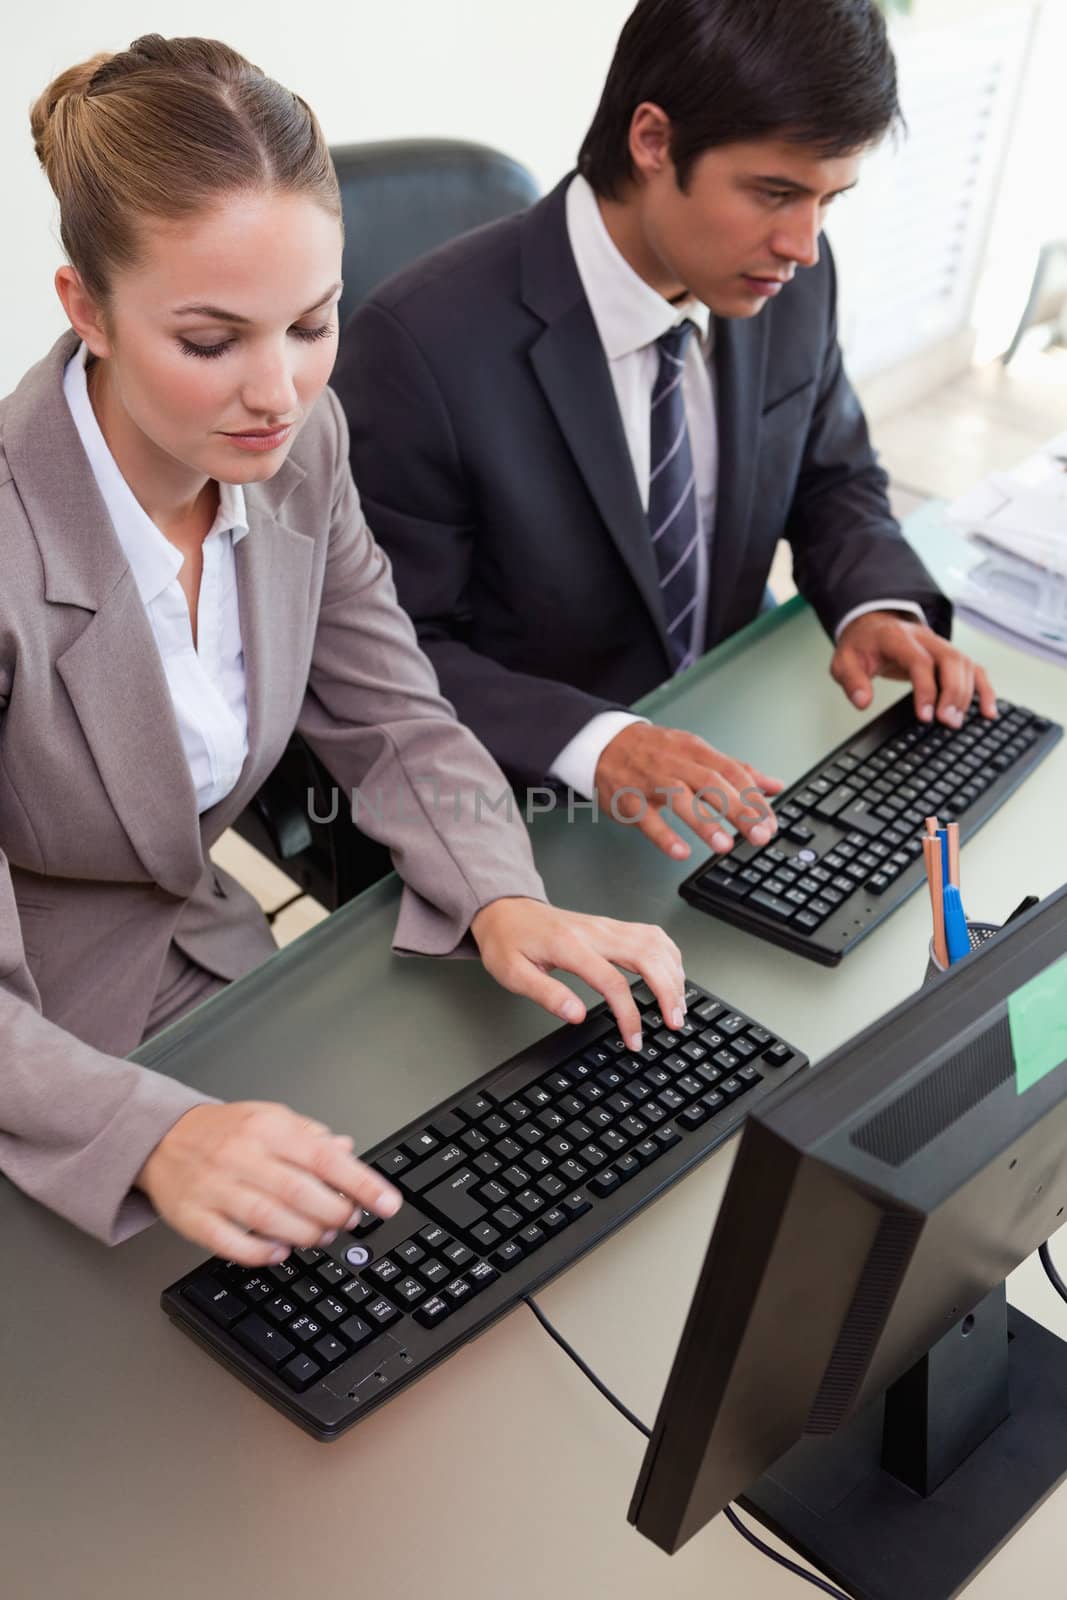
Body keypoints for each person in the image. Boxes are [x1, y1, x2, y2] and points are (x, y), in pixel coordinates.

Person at [0, 35, 686, 1266]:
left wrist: (503, 892)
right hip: (33, 1046)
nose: (277, 388)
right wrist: (146, 1132)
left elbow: (392, 713)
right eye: (211, 342)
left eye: (311, 323)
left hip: (206, 957)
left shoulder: (302, 447)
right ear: (84, 310)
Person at [333, 0, 998, 869]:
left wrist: (874, 604)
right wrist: (599, 741)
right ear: (652, 141)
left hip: (728, 748)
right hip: (530, 803)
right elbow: (385, 653)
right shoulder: (419, 346)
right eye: (774, 193)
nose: (802, 243)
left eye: (829, 201)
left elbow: (832, 477)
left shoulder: (787, 279)